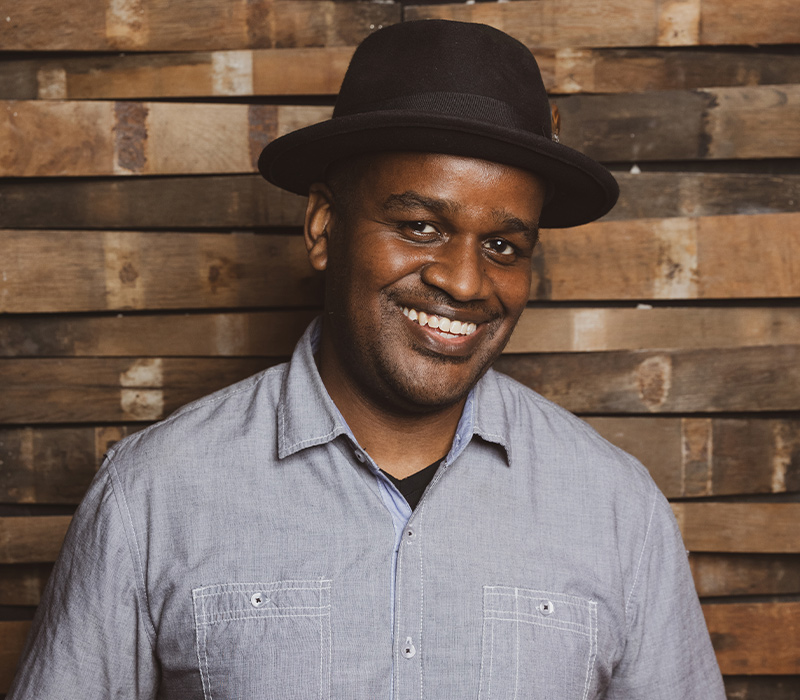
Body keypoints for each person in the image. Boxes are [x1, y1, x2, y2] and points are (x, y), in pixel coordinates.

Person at [8, 19, 725, 700]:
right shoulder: (153, 496)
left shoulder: (616, 509)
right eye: (419, 226)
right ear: (324, 227)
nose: (465, 281)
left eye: (503, 246)